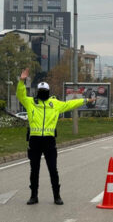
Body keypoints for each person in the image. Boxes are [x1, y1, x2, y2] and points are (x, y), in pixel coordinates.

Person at [17, 68, 95, 205]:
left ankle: (57, 196)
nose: (42, 94)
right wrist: (22, 81)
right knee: (34, 170)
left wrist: (86, 100)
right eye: (40, 92)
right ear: (37, 92)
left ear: (48, 92)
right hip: (34, 140)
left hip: (49, 141)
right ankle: (33, 196)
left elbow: (71, 103)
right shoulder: (30, 102)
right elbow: (21, 95)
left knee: (53, 169)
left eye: (44, 92)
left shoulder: (55, 104)